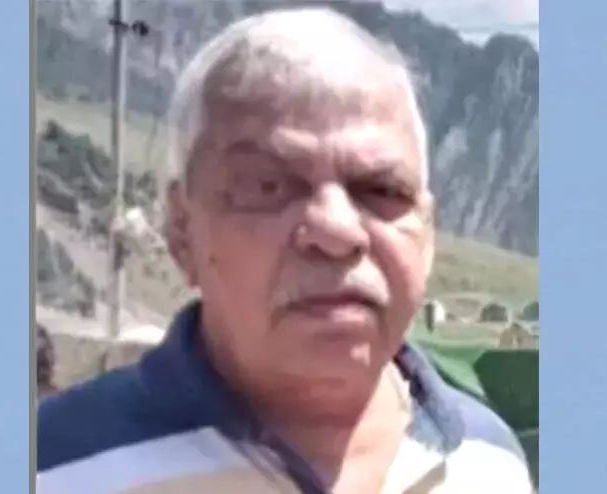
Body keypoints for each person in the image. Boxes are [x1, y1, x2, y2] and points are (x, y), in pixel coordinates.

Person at [37, 7, 533, 493]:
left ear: (426, 233)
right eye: (267, 186)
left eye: (382, 190)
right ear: (182, 231)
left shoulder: (490, 463)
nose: (336, 230)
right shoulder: (55, 466)